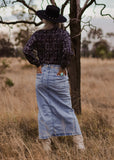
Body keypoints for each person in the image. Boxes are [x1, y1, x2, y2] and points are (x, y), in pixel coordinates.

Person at [23, 5, 85, 154]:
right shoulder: (63, 34)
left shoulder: (38, 34)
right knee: (66, 109)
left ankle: (46, 148)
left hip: (42, 74)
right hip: (58, 73)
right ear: (57, 20)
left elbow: (26, 50)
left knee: (44, 110)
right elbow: (68, 52)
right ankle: (79, 146)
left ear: (44, 19)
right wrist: (63, 67)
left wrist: (37, 63)